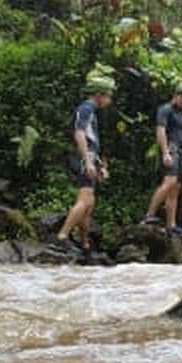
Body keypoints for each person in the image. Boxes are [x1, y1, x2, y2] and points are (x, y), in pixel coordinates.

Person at [50, 75, 115, 255]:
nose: (109, 100)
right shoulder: (86, 108)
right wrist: (87, 161)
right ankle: (61, 237)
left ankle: (85, 243)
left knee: (89, 203)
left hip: (89, 157)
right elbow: (79, 134)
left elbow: (91, 140)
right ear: (98, 94)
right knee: (84, 200)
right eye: (108, 96)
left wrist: (99, 164)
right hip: (83, 159)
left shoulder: (91, 110)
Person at [140, 83, 182, 237]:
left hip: (180, 150)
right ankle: (149, 214)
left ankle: (172, 225)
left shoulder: (181, 115)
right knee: (169, 182)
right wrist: (165, 152)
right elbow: (161, 131)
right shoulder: (165, 110)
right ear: (176, 95)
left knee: (175, 188)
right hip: (170, 148)